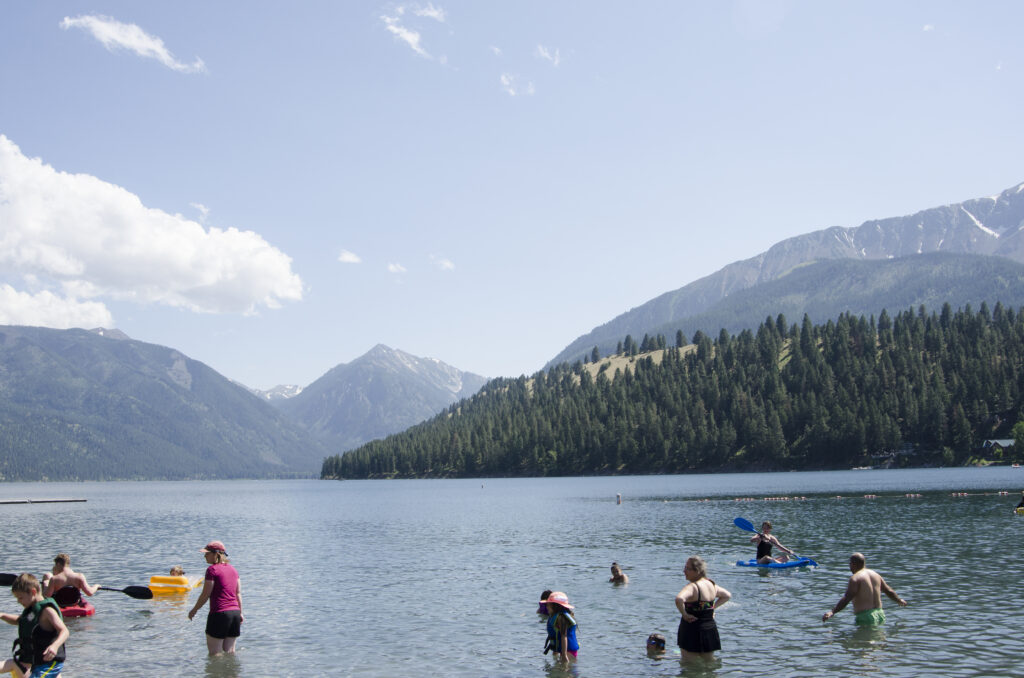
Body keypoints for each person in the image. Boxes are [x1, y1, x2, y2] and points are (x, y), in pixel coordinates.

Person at [1, 573, 69, 678]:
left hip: (51, 663)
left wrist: (54, 646)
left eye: (20, 598)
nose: (18, 601)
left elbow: (64, 631)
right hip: (39, 664)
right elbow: (21, 621)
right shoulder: (33, 610)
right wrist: (2, 615)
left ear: (33, 592)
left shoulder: (47, 610)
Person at [188, 541, 243, 656]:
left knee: (215, 654)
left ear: (216, 554)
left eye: (207, 553)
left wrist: (194, 610)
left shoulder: (212, 570)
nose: (204, 556)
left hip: (219, 614)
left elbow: (205, 594)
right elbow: (238, 593)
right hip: (235, 614)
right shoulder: (233, 570)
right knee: (230, 653)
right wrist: (241, 613)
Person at [822, 552, 907, 625]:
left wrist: (832, 612)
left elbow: (847, 598)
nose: (849, 567)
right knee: (878, 641)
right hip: (880, 614)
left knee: (864, 643)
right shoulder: (875, 575)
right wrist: (899, 600)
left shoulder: (855, 578)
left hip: (865, 617)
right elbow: (888, 590)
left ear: (853, 564)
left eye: (850, 564)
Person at [675, 556, 730, 656]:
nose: (684, 571)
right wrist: (712, 608)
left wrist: (685, 614)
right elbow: (726, 595)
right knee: (709, 663)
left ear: (698, 571)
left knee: (688, 664)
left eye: (688, 568)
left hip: (692, 629)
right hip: (709, 629)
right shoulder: (711, 585)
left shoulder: (692, 587)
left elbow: (679, 599)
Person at [540, 591, 579, 663]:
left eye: (548, 604)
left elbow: (564, 636)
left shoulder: (561, 618)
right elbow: (556, 635)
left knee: (568, 672)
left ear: (555, 606)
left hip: (568, 651)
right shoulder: (555, 616)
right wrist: (555, 651)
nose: (546, 607)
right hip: (564, 650)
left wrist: (564, 655)